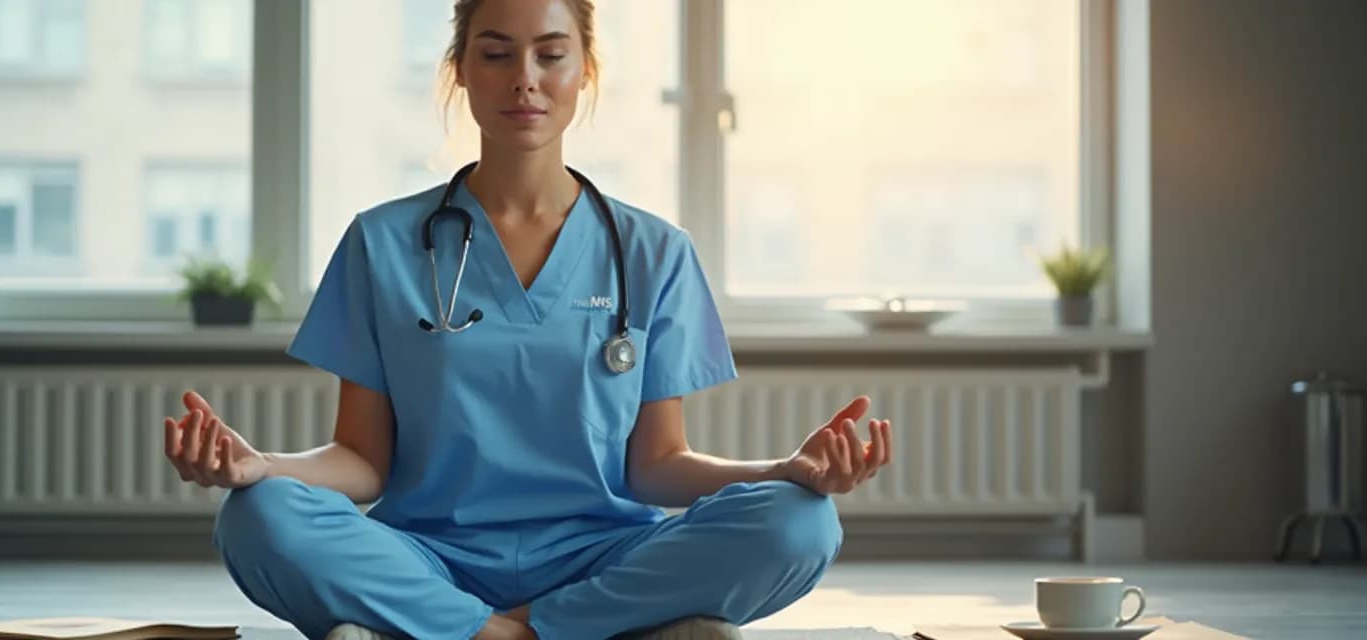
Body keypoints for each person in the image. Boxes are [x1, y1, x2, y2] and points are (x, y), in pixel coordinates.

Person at [160, 1, 893, 638]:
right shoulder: (381, 244)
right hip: (429, 557)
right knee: (256, 517)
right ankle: (498, 629)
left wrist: (783, 472)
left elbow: (657, 465)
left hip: (602, 557)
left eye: (551, 54)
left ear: (585, 70)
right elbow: (363, 461)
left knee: (802, 522)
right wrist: (262, 466)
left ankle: (511, 628)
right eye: (496, 53)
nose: (525, 79)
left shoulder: (653, 252)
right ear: (460, 70)